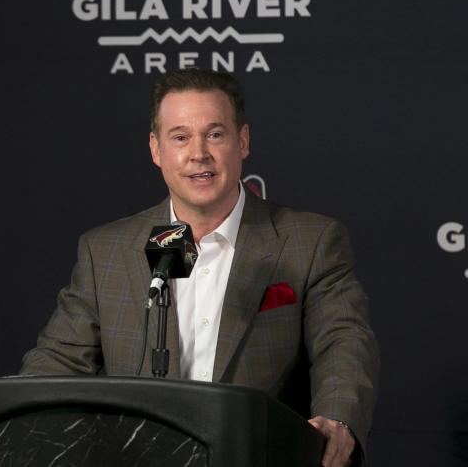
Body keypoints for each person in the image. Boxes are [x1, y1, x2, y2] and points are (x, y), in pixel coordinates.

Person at [20, 68, 379, 467]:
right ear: (156, 150)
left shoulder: (308, 241)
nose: (198, 154)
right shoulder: (105, 251)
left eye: (215, 134)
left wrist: (337, 417)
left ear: (242, 141)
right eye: (180, 137)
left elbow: (343, 342)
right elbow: (57, 364)